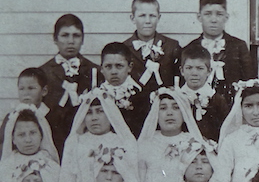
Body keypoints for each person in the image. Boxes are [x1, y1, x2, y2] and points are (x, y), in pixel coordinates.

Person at [59, 89, 138, 182]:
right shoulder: (76, 142)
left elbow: (130, 180)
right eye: (89, 112)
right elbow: (67, 179)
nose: (94, 118)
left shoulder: (122, 142)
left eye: (100, 111)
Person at [39, 14, 98, 155]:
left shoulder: (94, 70)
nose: (70, 41)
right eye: (65, 35)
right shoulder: (43, 72)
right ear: (55, 38)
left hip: (86, 143)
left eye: (76, 36)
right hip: (53, 142)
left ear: (82, 39)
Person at [183, 0, 254, 106]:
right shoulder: (190, 48)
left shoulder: (238, 46)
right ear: (199, 17)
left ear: (226, 17)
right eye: (208, 14)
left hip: (232, 108)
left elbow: (249, 80)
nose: (214, 20)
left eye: (219, 14)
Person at [123, 0, 182, 96]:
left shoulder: (172, 47)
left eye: (152, 16)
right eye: (142, 16)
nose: (147, 21)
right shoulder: (124, 49)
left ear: (158, 18)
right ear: (132, 18)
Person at [0, 107, 60, 182]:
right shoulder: (6, 166)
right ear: (13, 139)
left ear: (41, 135)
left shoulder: (50, 165)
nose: (28, 140)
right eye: (21, 135)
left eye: (32, 133)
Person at [179, 43, 230, 142]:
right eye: (189, 68)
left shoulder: (218, 100)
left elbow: (224, 131)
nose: (194, 73)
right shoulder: (178, 98)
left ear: (209, 71)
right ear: (182, 71)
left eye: (200, 68)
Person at [98, 42, 149, 137]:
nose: (113, 72)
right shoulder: (97, 94)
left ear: (129, 67)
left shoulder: (141, 95)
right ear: (101, 69)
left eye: (119, 66)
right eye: (108, 66)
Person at [0, 68, 51, 160]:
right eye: (21, 89)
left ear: (44, 91)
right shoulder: (11, 117)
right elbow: (3, 145)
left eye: (31, 88)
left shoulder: (52, 116)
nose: (26, 93)